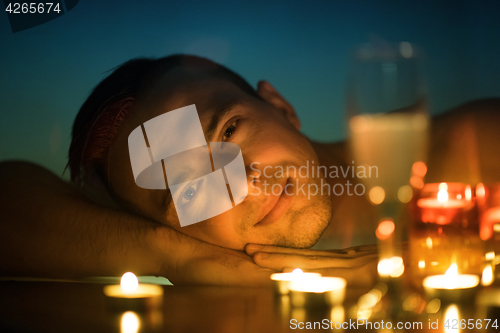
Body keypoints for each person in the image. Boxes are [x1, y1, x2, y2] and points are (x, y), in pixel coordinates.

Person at [1, 55, 499, 287]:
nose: (238, 182)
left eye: (229, 132)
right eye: (191, 193)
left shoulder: (475, 152)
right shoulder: (207, 264)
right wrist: (174, 257)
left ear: (280, 107)